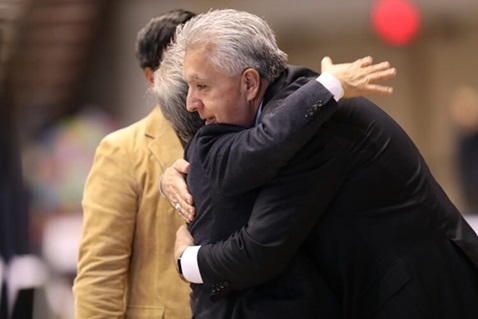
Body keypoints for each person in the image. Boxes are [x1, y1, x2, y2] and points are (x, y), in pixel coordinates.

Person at [161, 9, 478, 319]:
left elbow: (260, 249)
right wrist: (176, 171)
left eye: (202, 86)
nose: (191, 102)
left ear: (249, 84)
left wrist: (188, 261)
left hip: (424, 290)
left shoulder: (303, 128)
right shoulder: (291, 107)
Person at [72, 9, 202, 319]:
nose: (193, 74)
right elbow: (100, 270)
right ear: (151, 77)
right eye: (179, 64)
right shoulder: (123, 151)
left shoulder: (245, 133)